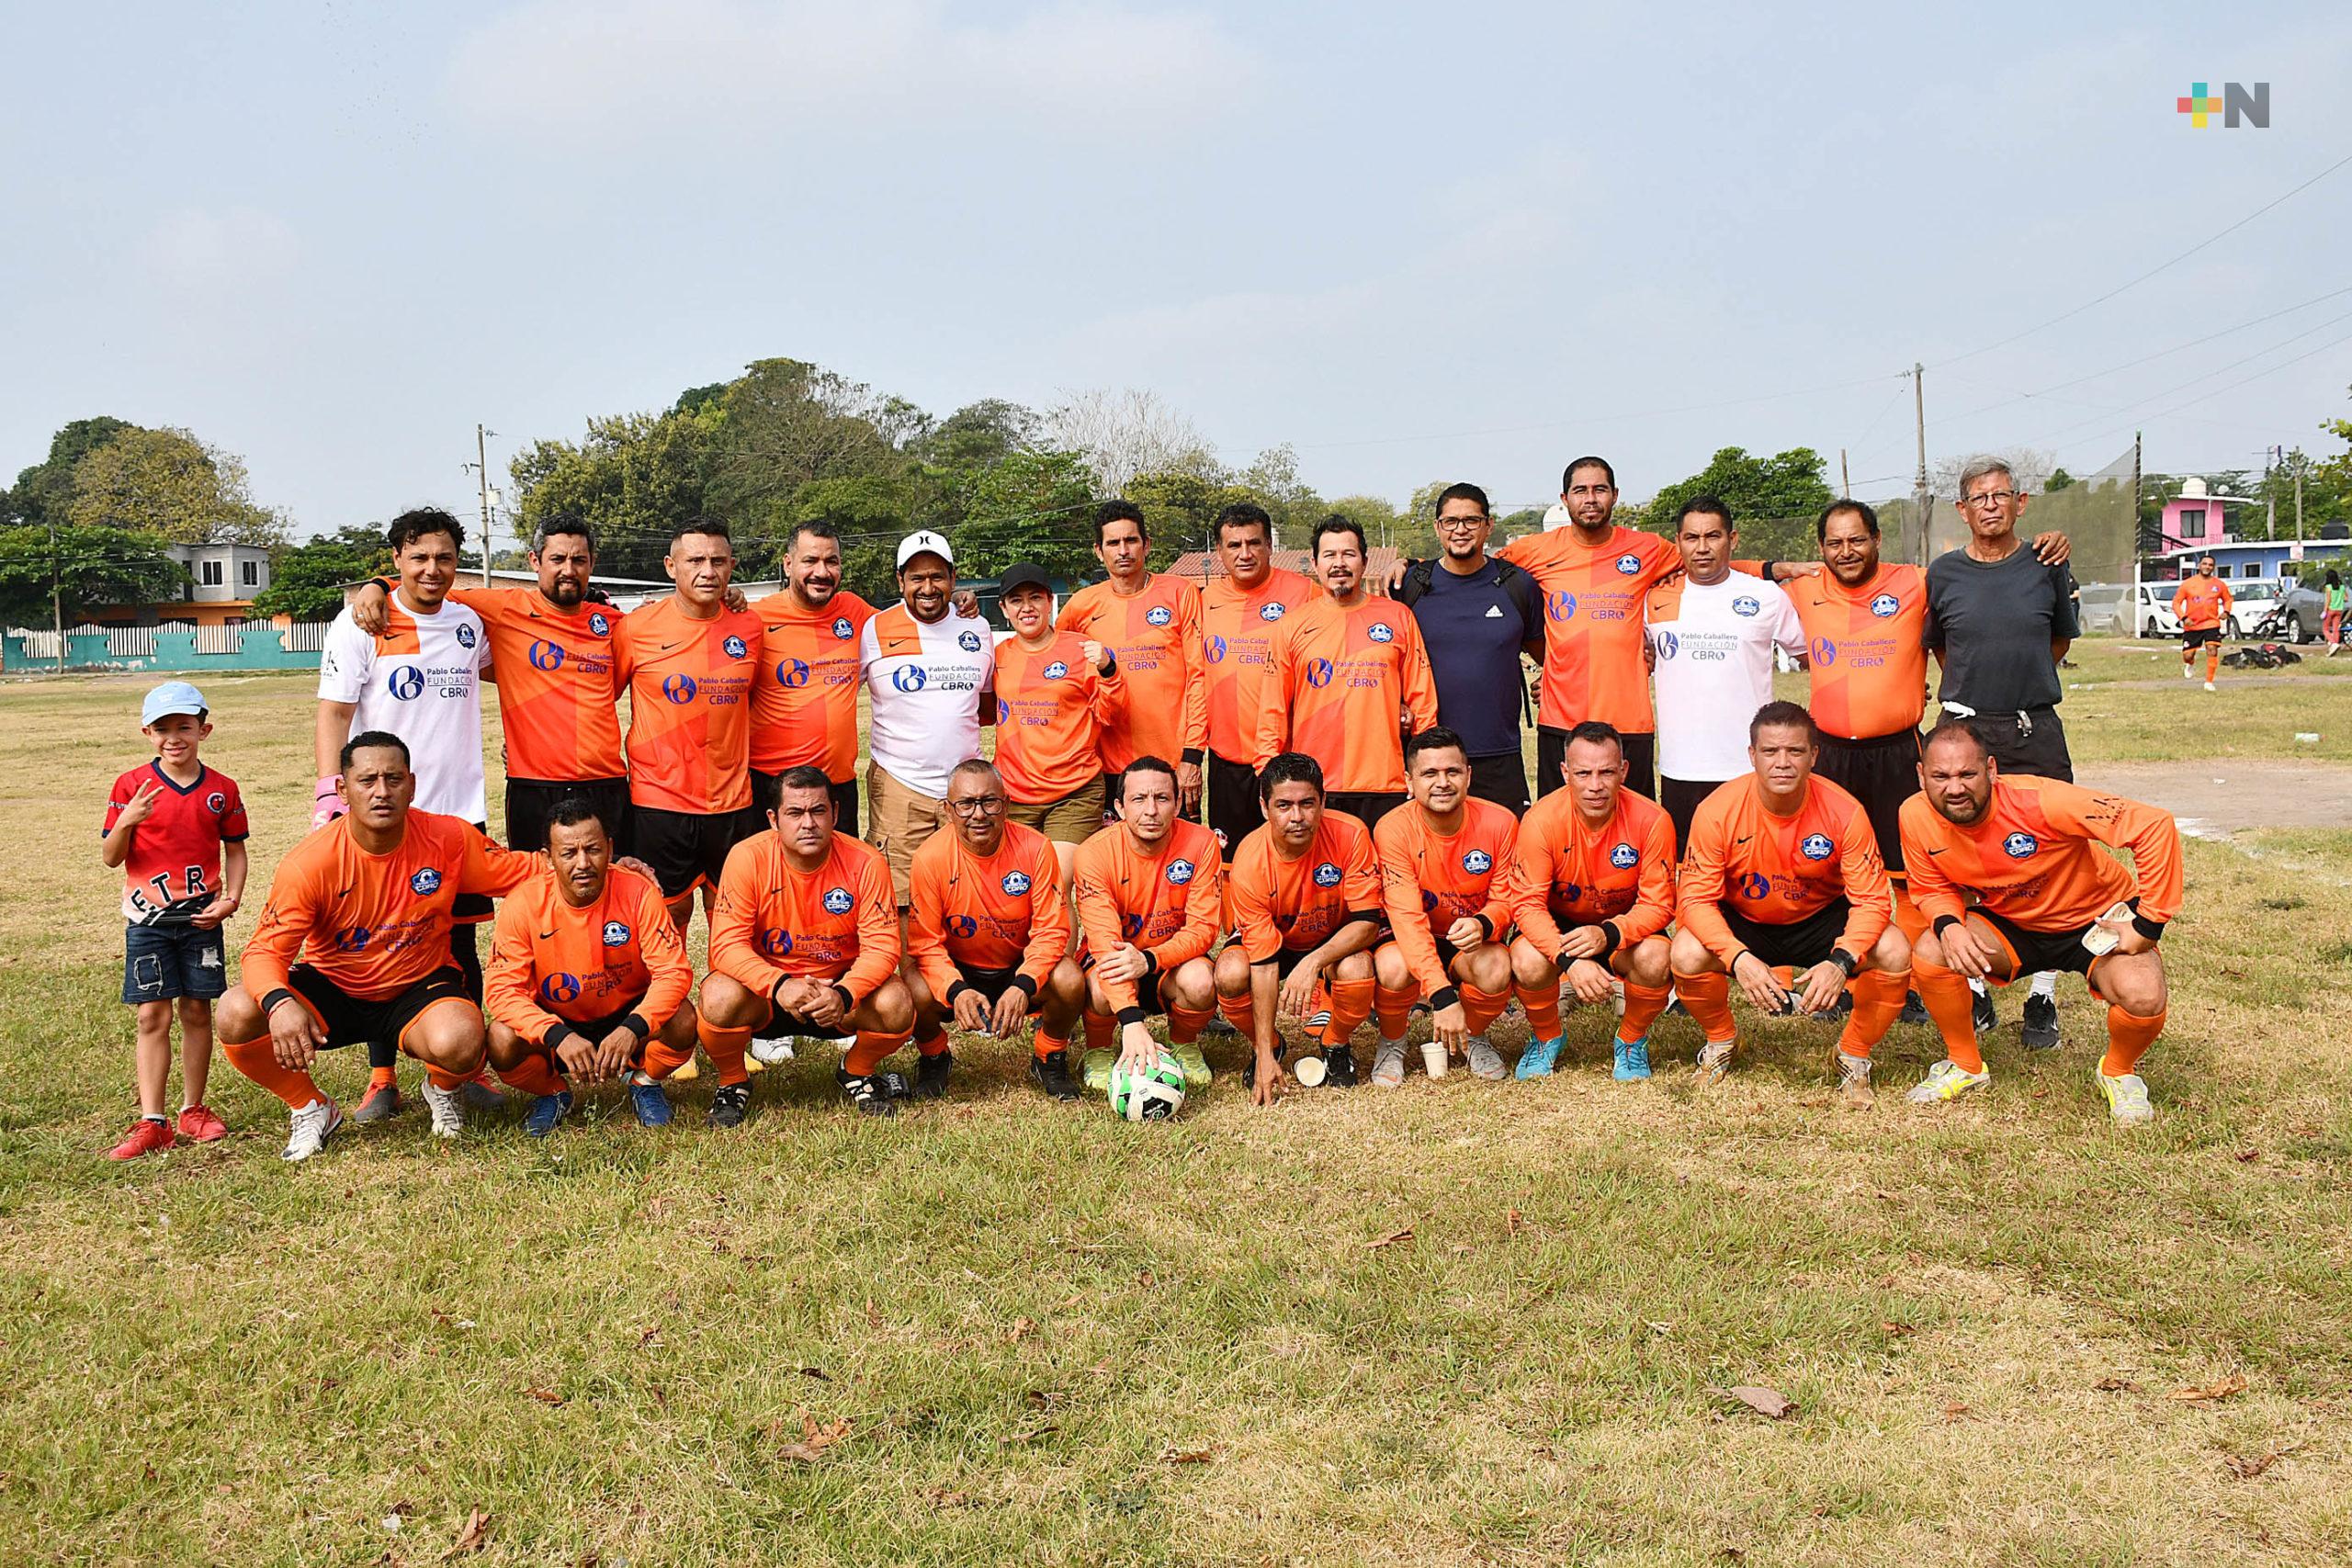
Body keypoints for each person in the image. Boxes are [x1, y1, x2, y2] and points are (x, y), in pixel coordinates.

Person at [216, 733, 543, 1158]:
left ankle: (441, 1089)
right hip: (334, 988)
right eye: (367, 780)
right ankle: (311, 1107)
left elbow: (527, 870)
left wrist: (609, 866)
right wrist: (279, 1004)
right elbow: (263, 952)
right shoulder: (310, 862)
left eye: (393, 778)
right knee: (237, 1011)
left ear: (412, 784)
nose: (382, 791)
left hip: (418, 986)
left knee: (462, 1040)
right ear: (342, 789)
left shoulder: (448, 838)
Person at [1898, 720, 2182, 1123]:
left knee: (2143, 995)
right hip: (2012, 922)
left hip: (2094, 920)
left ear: (1992, 770)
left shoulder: (2042, 800)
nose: (1955, 788)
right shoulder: (1914, 814)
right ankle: (1965, 1065)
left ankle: (2119, 1072)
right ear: (1921, 775)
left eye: (1967, 774)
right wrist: (1949, 925)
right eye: (1940, 776)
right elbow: (1930, 885)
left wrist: (2148, 924)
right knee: (1932, 949)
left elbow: (2153, 826)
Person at [315, 507, 499, 1122]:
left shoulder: (470, 623)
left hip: (458, 815)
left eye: (444, 557)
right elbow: (335, 715)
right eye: (418, 556)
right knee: (383, 944)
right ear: (394, 559)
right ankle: (381, 1077)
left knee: (460, 943)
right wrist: (329, 795)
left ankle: (462, 1072)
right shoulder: (362, 622)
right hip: (384, 815)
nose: (432, 568)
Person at [347, 514, 633, 864]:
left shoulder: (616, 625)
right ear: (535, 560)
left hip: (606, 782)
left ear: (592, 563)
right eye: (557, 559)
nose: (568, 570)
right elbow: (428, 583)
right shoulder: (502, 608)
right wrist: (376, 585)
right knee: (535, 888)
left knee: (615, 886)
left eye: (579, 560)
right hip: (533, 785)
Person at [1668, 703, 1912, 1106]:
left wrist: (1842, 962)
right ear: (1752, 755)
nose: (1783, 763)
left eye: (1795, 751)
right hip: (1745, 920)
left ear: (1814, 755)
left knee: (1894, 947)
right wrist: (1737, 958)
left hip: (1820, 918)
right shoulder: (1716, 810)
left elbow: (1871, 900)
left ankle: (1853, 1055)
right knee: (1687, 950)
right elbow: (1695, 899)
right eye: (1770, 752)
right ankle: (1722, 1041)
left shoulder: (1845, 810)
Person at [1924, 457, 2081, 1052]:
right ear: (1961, 510)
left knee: (2052, 854)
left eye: (2000, 494)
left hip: (2033, 728)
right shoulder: (1943, 573)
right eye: (1977, 497)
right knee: (1962, 858)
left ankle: (2043, 992)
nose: (1990, 504)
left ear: (2021, 501)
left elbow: (2058, 640)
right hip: (1965, 728)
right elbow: (1941, 646)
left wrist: (2017, 687)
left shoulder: (2046, 563)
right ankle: (1976, 985)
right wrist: (1976, 699)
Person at [699, 767, 913, 1120]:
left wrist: (844, 994)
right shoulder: (746, 857)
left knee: (896, 1001)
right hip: (770, 997)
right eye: (795, 813)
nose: (808, 823)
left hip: (839, 996)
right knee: (718, 995)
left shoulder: (867, 862)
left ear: (836, 814)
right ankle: (732, 1082)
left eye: (818, 811)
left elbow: (883, 947)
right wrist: (779, 985)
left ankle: (857, 1071)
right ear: (773, 819)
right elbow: (726, 945)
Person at [482, 798, 697, 1134]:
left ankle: (645, 1082)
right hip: (557, 1017)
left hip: (627, 1012)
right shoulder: (522, 903)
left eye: (593, 849)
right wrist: (556, 1034)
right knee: (501, 1038)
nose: (583, 863)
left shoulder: (639, 891)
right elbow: (501, 991)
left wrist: (634, 1027)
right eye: (568, 853)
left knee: (683, 1019)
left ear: (610, 849)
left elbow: (673, 972)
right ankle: (551, 1093)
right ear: (548, 859)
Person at [98, 682, 248, 1158]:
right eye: (162, 728)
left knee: (197, 1010)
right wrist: (128, 820)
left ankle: (193, 1109)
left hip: (201, 918)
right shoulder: (130, 786)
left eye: (184, 727)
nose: (173, 737)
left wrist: (232, 898)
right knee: (151, 1015)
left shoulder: (222, 789)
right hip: (149, 921)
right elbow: (110, 857)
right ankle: (152, 1119)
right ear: (147, 732)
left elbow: (235, 849)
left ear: (203, 729)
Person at [613, 520, 764, 931]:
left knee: (731, 920)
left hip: (732, 803)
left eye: (718, 560)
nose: (708, 571)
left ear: (731, 566)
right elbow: (597, 699)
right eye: (695, 560)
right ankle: (669, 997)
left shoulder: (750, 626)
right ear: (670, 566)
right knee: (666, 918)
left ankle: (725, 996)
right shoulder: (636, 628)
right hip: (659, 803)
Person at [905, 760, 1087, 1100]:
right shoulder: (929, 858)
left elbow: (1051, 931)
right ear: (948, 810)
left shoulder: (1035, 847)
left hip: (1018, 967)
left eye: (989, 802)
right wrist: (956, 990)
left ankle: (1050, 1055)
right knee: (913, 984)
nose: (979, 814)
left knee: (1070, 978)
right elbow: (926, 944)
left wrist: (1024, 983)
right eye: (966, 804)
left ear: (1006, 805)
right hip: (961, 971)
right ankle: (934, 1056)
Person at [1506, 721, 1678, 1082]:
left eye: (1606, 772)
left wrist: (1610, 935)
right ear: (1565, 772)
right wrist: (1568, 959)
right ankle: (1545, 1035)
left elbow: (1659, 904)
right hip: (1561, 926)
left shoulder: (1653, 820)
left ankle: (1632, 1040)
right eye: (1583, 773)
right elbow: (1527, 906)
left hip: (1623, 927)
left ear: (1624, 771)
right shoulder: (1540, 820)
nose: (1595, 785)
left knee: (1657, 956)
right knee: (1526, 958)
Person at [1213, 752, 1386, 1102]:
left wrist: (1313, 963)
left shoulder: (1351, 834)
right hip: (1276, 939)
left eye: (1307, 803)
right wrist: (1263, 1052)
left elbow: (1367, 923)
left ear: (1323, 801)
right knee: (1230, 972)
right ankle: (1270, 1046)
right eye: (1284, 805)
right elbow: (1262, 962)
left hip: (1331, 937)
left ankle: (1335, 1042)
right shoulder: (1250, 860)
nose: (1297, 817)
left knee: (1358, 966)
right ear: (1265, 807)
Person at [1644, 496, 1806, 852]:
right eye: (1691, 538)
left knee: (1752, 871)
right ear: (1679, 542)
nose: (1702, 548)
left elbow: (1811, 658)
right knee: (1689, 874)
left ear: (1732, 539)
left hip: (1748, 765)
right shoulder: (1655, 598)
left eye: (1713, 536)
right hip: (1681, 767)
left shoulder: (1765, 596)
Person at [1255, 515, 1441, 825]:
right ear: (1314, 563)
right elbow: (1272, 711)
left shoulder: (1398, 617)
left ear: (1364, 562)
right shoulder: (1291, 626)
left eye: (1348, 554)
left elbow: (1423, 702)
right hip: (1314, 786)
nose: (1339, 563)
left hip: (1386, 784)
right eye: (1329, 555)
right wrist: (1268, 774)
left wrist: (1427, 770)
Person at [1370, 728, 1521, 1086]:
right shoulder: (1392, 829)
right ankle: (1392, 1041)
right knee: (1392, 966)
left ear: (1469, 776)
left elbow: (1508, 898)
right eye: (1429, 774)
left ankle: (1474, 1035)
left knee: (1497, 966)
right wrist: (1441, 995)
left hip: (1470, 939)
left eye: (1452, 772)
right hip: (1412, 936)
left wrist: (1485, 923)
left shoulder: (1501, 823)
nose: (1443, 783)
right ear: (1409, 781)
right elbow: (1406, 918)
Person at [861, 530, 997, 908]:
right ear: (900, 581)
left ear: (954, 579)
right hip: (900, 785)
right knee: (900, 899)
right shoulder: (873, 629)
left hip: (965, 791)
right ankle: (908, 969)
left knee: (969, 896)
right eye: (916, 577)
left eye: (937, 576)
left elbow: (986, 706)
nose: (928, 587)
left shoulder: (977, 628)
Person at [1391, 482, 1546, 814]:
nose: (1460, 530)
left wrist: (1551, 681)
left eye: (1471, 521)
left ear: (1488, 525)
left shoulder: (1517, 585)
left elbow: (1546, 654)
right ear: (1438, 528)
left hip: (1498, 752)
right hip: (1429, 756)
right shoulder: (1411, 584)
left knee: (1505, 851)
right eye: (1451, 521)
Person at [1072, 757, 1225, 1091]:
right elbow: (1103, 940)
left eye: (1162, 798)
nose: (1151, 810)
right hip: (1117, 959)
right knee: (1099, 983)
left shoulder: (1202, 843)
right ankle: (1098, 1050)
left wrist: (1151, 959)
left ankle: (1184, 1042)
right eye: (1139, 799)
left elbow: (1203, 929)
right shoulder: (1093, 853)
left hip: (1169, 962)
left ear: (1177, 803)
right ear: (1120, 806)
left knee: (1201, 980)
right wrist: (1130, 1019)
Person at [1057, 502, 1207, 818]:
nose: (1123, 550)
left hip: (1171, 763)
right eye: (1113, 543)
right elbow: (1056, 667)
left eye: (1131, 540)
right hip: (1108, 765)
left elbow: (1199, 677)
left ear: (1146, 545)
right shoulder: (1081, 605)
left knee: (1176, 861)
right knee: (1116, 862)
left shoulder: (1181, 593)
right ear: (1099, 551)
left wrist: (1192, 756)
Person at [1196, 503, 1320, 857]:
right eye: (1234, 545)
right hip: (1228, 760)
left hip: (1288, 757)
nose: (1245, 553)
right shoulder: (1205, 600)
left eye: (1254, 543)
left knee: (1294, 856)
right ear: (1219, 551)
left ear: (1270, 545)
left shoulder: (1305, 593)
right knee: (1233, 859)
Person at [990, 562, 1124, 887]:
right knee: (1017, 892)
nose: (1027, 608)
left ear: (1050, 601)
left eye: (1035, 597)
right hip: (1015, 794)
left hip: (1073, 791)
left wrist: (1108, 669)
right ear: (1003, 608)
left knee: (1054, 887)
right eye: (1016, 600)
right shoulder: (997, 656)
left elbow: (1110, 713)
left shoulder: (1079, 650)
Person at [751, 519, 876, 829]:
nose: (822, 572)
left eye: (831, 561)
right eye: (810, 561)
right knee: (772, 877)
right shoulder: (755, 619)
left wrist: (957, 604)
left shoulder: (856, 611)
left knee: (840, 876)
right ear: (788, 563)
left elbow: (910, 620)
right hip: (772, 785)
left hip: (837, 785)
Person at [2170, 554, 2233, 692]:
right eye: (2205, 564)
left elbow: (2228, 599)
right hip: (2192, 625)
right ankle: (2190, 663)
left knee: (2212, 649)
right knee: (2188, 655)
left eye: (2210, 565)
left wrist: (2226, 611)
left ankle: (2209, 682)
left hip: (2211, 623)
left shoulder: (2219, 584)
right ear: (2199, 566)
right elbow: (2176, 603)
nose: (2207, 567)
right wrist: (2183, 617)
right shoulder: (2188, 584)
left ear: (2213, 568)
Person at [2324, 569, 2345, 655]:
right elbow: (2346, 598)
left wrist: (2325, 610)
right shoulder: (2342, 587)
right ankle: (2334, 649)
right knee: (2336, 629)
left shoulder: (2328, 587)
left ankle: (2334, 643)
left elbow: (2328, 600)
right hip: (2339, 610)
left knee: (2325, 629)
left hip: (2331, 609)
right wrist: (2339, 598)